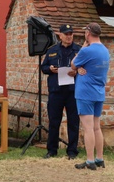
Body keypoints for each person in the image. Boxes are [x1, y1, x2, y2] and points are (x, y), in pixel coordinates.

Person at [71, 23, 110, 170]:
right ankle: (99, 158)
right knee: (96, 127)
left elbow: (73, 64)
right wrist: (82, 67)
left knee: (88, 128)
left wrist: (82, 48)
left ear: (88, 33)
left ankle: (90, 160)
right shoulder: (105, 50)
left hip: (86, 92)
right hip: (99, 92)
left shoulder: (87, 50)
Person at [41, 24, 81, 159]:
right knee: (54, 121)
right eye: (66, 34)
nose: (69, 36)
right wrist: (50, 69)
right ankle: (52, 150)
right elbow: (43, 67)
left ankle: (72, 151)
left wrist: (76, 71)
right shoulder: (52, 50)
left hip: (72, 91)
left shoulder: (79, 50)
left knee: (73, 122)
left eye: (71, 34)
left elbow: (85, 68)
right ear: (60, 36)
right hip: (56, 90)